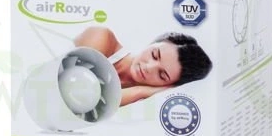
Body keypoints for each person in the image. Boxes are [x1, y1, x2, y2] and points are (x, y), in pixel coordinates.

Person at [74, 27, 212, 107]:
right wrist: (139, 91)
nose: (149, 67)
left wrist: (141, 92)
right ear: (154, 42)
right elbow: (80, 94)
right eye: (154, 55)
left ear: (169, 85)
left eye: (162, 75)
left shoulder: (142, 100)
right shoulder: (103, 38)